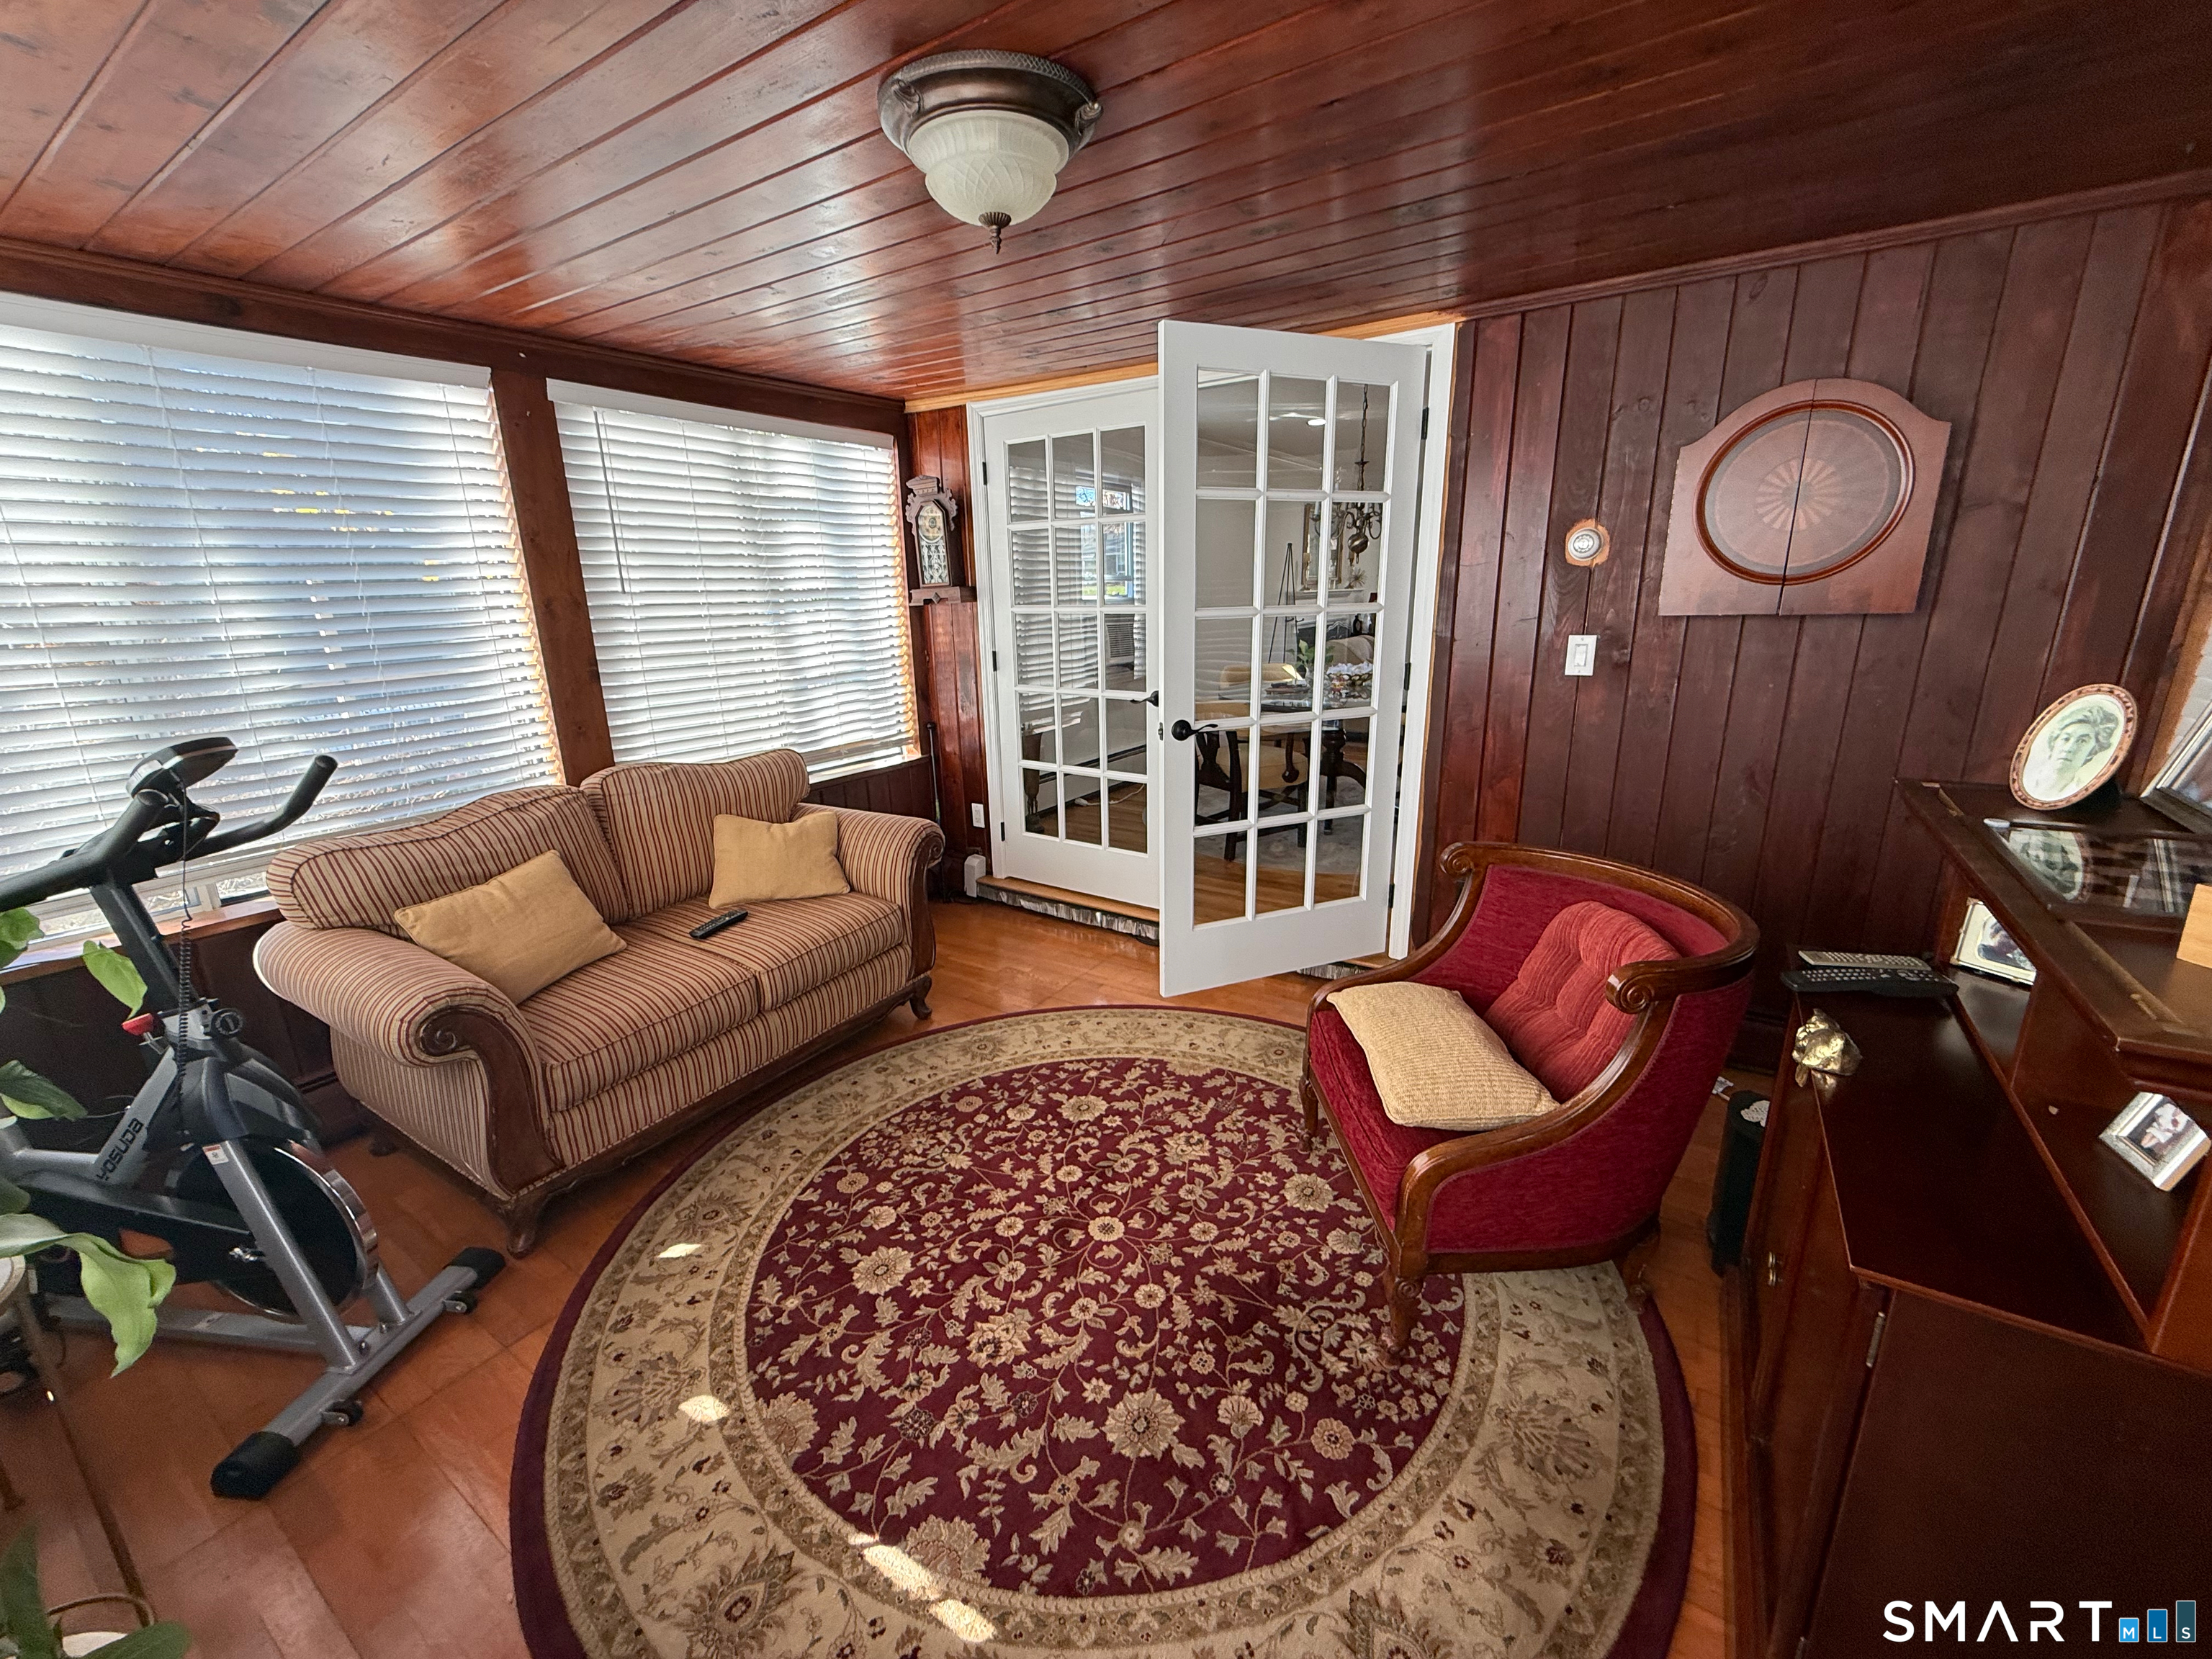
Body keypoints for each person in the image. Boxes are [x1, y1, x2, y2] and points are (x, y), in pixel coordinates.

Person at [2022, 700, 2121, 803]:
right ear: (2054, 743)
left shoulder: (2079, 791)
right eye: (2065, 739)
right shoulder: (2028, 781)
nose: (2069, 748)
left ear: (2092, 753)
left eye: (2082, 741)